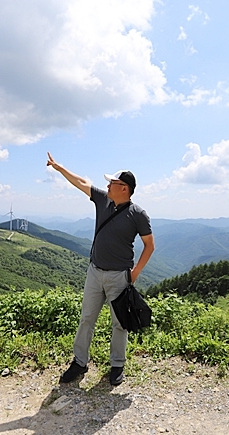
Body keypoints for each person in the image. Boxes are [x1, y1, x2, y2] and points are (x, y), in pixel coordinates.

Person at [47, 152, 155, 386]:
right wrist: (60, 168)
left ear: (124, 188)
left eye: (112, 183)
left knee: (120, 322)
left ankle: (117, 365)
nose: (107, 185)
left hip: (120, 276)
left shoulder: (138, 214)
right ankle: (79, 362)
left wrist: (135, 273)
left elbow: (149, 245)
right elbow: (82, 183)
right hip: (95, 272)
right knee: (87, 318)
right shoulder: (103, 199)